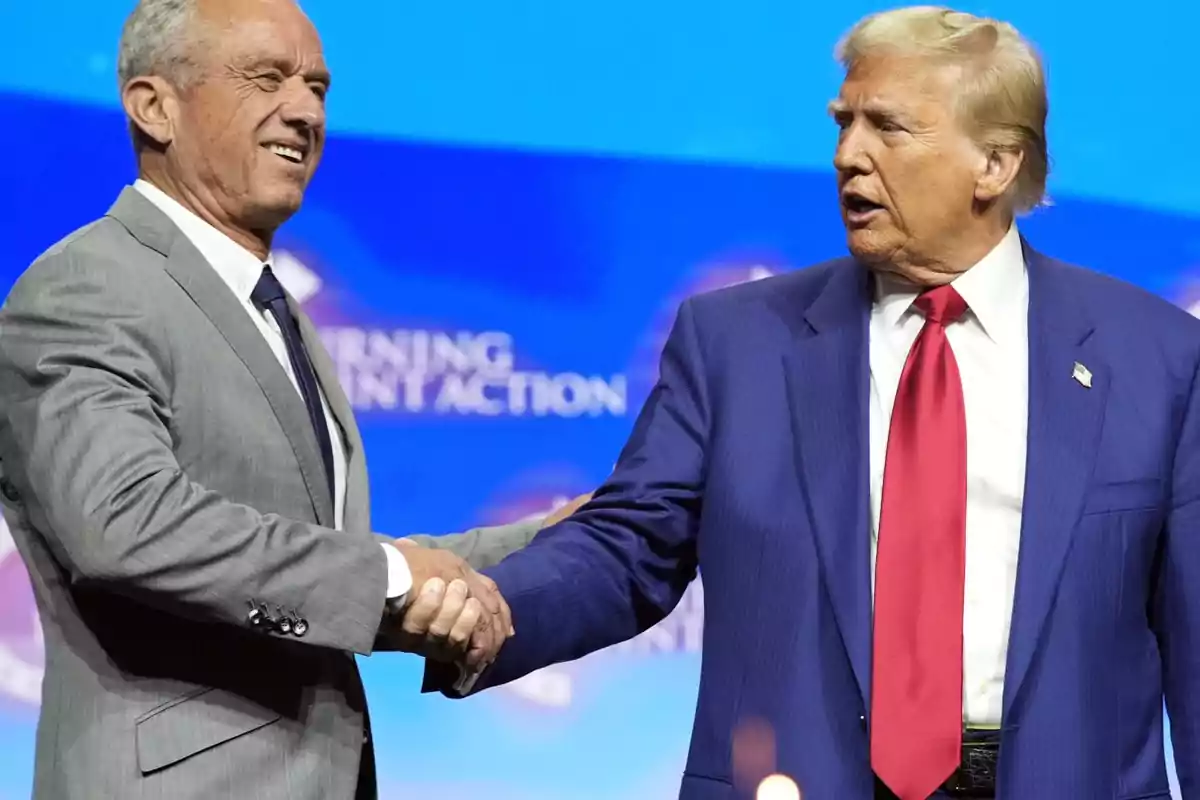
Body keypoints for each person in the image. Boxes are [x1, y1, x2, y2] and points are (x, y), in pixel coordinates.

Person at [429, 7, 1200, 799]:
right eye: (843, 123)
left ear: (996, 165)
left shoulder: (1157, 362)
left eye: (888, 128)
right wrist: (490, 604)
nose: (847, 156)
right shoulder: (735, 344)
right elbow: (627, 548)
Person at [0, 0, 572, 797]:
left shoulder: (271, 311)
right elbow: (125, 523)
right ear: (153, 106)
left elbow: (314, 567)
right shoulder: (87, 286)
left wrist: (551, 543)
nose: (304, 111)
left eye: (317, 87)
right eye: (265, 78)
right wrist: (394, 579)